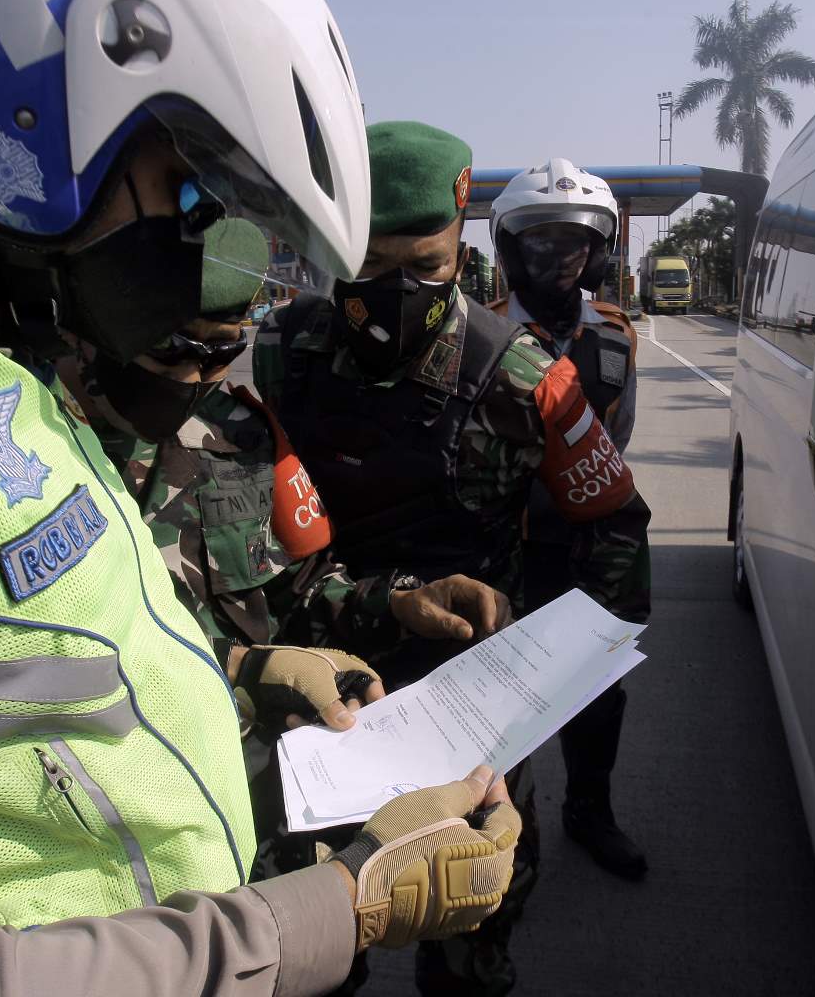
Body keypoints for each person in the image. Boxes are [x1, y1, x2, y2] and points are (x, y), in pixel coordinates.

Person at [0, 0, 519, 994]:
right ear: (33, 116)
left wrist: (244, 668)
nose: (213, 276)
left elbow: (10, 672)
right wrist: (347, 902)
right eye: (197, 200)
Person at [254, 121, 651, 997]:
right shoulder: (287, 355)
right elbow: (258, 549)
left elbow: (615, 524)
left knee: (474, 927)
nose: (396, 293)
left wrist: (566, 670)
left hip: (470, 709)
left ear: (463, 244)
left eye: (426, 267)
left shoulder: (528, 377)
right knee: (313, 949)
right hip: (327, 695)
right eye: (370, 265)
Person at [59, 215, 513, 888]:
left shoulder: (239, 436)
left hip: (275, 827)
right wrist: (243, 666)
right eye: (173, 348)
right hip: (120, 844)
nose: (194, 377)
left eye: (220, 352)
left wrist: (397, 601)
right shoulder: (27, 447)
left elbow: (302, 591)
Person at [488, 159, 648, 881]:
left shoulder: (615, 341)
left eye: (575, 241)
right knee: (501, 705)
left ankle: (590, 809)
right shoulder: (477, 336)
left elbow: (617, 442)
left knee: (596, 696)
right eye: (540, 241)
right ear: (510, 250)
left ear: (599, 254)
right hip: (504, 551)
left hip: (585, 553)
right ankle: (504, 834)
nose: (558, 257)